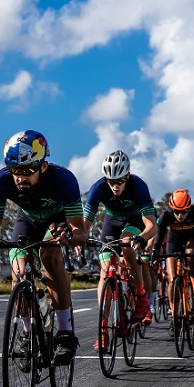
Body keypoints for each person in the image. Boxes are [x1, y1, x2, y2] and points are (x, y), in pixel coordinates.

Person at [0, 130, 86, 365]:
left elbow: (81, 233)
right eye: (15, 171)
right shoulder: (1, 181)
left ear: (43, 166)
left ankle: (65, 332)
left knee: (49, 254)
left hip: (57, 221)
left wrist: (69, 236)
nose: (20, 177)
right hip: (28, 220)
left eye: (27, 170)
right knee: (18, 268)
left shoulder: (64, 180)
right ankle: (25, 332)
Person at [81, 150, 157, 350]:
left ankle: (141, 296)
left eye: (120, 181)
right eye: (111, 181)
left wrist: (141, 238)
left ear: (128, 176)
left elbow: (151, 225)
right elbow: (84, 225)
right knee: (105, 271)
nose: (115, 186)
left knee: (126, 243)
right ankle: (104, 329)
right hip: (112, 220)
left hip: (135, 220)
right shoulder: (97, 188)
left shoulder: (139, 186)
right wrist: (79, 240)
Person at [149, 189, 194, 316]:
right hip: (174, 240)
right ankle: (174, 316)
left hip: (192, 238)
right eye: (176, 212)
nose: (180, 216)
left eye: (183, 212)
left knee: (190, 252)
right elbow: (158, 239)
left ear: (189, 209)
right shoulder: (167, 215)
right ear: (172, 209)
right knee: (171, 279)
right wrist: (155, 254)